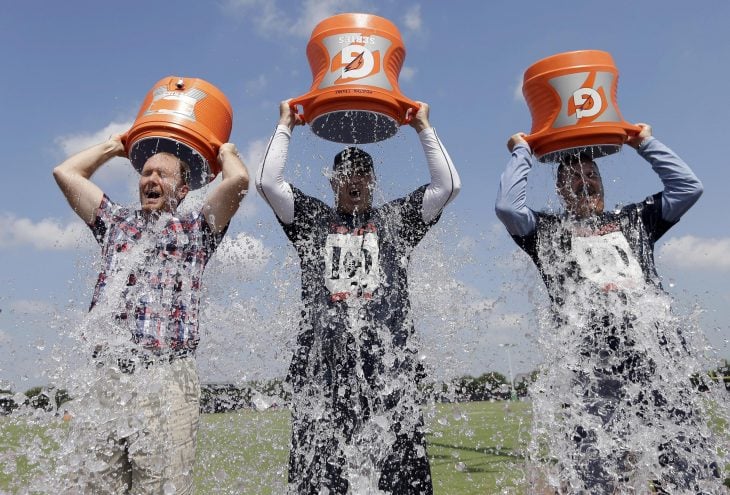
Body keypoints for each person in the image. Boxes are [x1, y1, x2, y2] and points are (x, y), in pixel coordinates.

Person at [495, 125, 722, 493]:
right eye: (572, 177)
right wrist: (522, 151)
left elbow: (688, 188)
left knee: (688, 466)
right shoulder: (547, 231)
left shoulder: (636, 219)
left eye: (590, 175)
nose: (584, 183)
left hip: (655, 360)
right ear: (559, 190)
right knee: (595, 473)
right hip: (592, 372)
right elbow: (508, 207)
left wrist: (642, 142)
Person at [256, 100, 460, 494]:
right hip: (323, 381)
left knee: (403, 484)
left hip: (389, 380)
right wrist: (285, 123)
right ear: (333, 182)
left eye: (364, 173)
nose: (356, 179)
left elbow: (447, 186)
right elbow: (267, 183)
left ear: (373, 181)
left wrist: (422, 127)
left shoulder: (394, 221)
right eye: (346, 173)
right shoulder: (313, 220)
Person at [52, 135, 248, 494]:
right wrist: (115, 147)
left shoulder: (196, 231)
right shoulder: (115, 223)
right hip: (107, 377)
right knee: (95, 487)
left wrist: (223, 151)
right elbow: (65, 172)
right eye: (145, 172)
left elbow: (237, 182)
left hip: (167, 380)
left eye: (162, 174)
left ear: (184, 189)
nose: (151, 180)